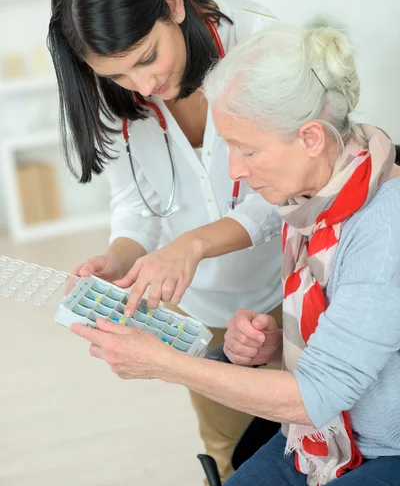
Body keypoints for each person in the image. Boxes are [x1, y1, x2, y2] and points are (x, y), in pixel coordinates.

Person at [71, 24, 400, 485]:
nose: (236, 172)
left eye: (247, 150)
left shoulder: (383, 229)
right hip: (315, 436)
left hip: (379, 449)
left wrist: (165, 364)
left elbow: (316, 395)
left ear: (310, 138)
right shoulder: (322, 193)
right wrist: (281, 342)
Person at [47, 0, 284, 483]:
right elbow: (137, 203)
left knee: (323, 442)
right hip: (204, 312)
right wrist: (118, 255)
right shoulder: (116, 95)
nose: (144, 87)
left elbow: (289, 193)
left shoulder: (258, 42)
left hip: (294, 285)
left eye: (148, 58)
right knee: (231, 453)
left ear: (173, 6)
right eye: (120, 76)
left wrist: (192, 245)